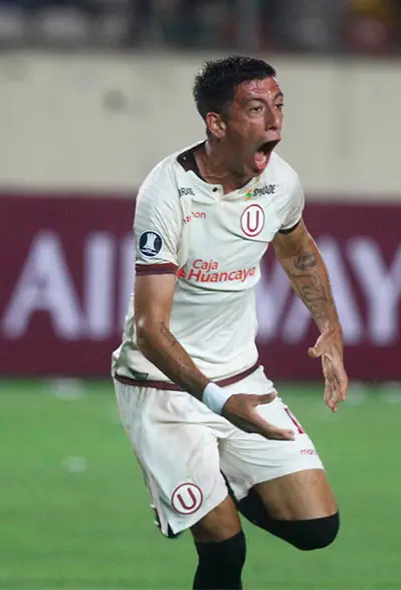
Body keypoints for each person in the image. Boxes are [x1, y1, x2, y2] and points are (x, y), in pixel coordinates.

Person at [110, 55, 349, 590]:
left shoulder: (280, 183)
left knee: (318, 528)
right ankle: (198, 500)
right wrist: (218, 402)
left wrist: (329, 327)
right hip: (163, 385)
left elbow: (298, 250)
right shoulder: (165, 194)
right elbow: (150, 329)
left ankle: (209, 489)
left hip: (242, 377)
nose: (274, 122)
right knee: (224, 549)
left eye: (279, 106)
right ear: (217, 124)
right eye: (257, 108)